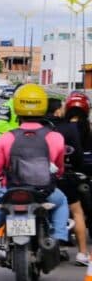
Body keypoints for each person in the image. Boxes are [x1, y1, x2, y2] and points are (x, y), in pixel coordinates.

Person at [0, 84, 70, 281]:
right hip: (44, 193)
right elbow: (60, 169)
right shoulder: (55, 138)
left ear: (17, 106)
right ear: (42, 106)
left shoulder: (7, 137)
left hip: (10, 191)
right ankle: (58, 239)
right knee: (62, 202)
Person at [55, 92, 91, 266]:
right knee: (77, 212)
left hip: (63, 175)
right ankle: (82, 253)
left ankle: (61, 243)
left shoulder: (60, 128)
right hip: (81, 175)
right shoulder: (89, 128)